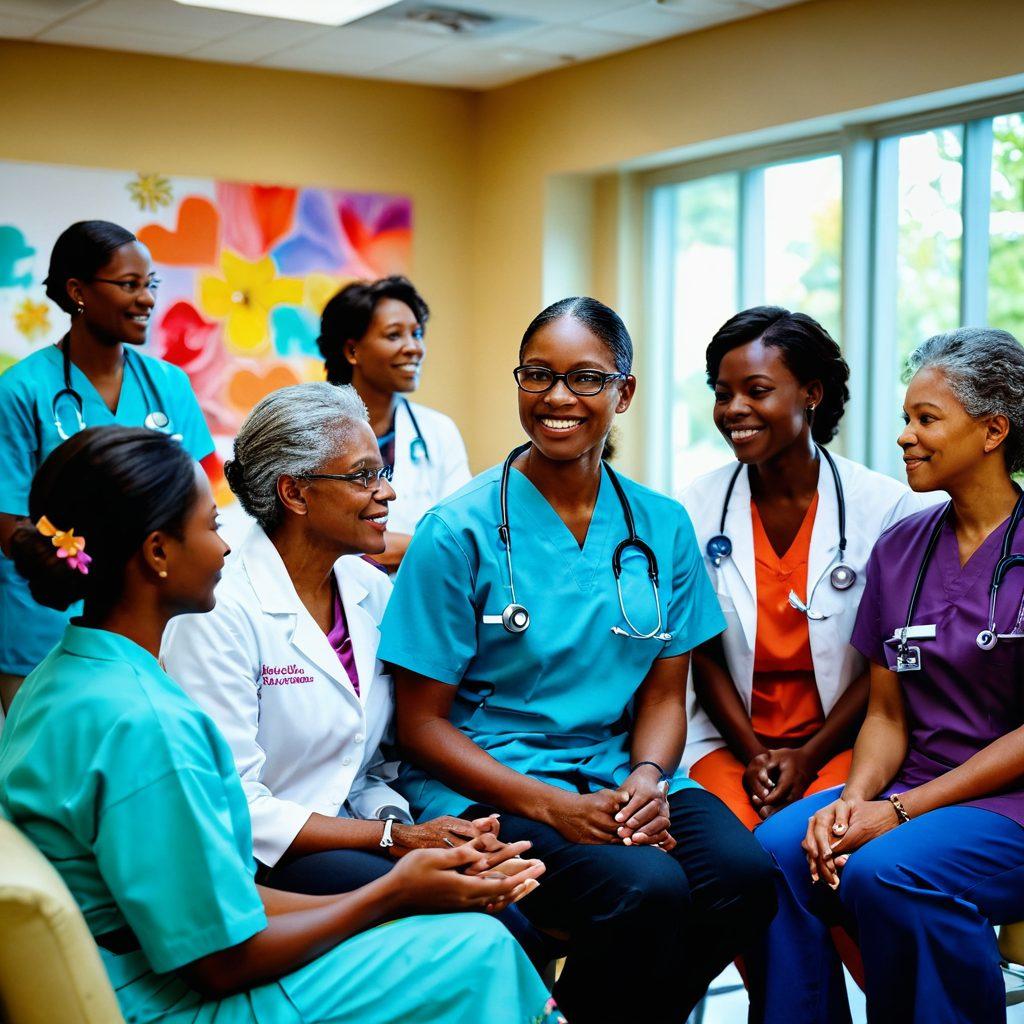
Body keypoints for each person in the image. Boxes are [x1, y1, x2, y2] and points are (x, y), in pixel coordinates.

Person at [0, 424, 562, 1024]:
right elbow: (221, 961)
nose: (224, 548)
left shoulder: (61, 679)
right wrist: (395, 891)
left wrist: (398, 890)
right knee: (478, 949)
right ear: (158, 553)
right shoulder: (147, 724)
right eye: (211, 526)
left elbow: (210, 899)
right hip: (160, 1001)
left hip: (137, 958)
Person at [377, 296, 778, 1024]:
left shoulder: (661, 525)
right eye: (538, 374)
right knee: (647, 889)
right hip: (492, 788)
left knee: (744, 878)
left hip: (619, 775)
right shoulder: (456, 530)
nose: (558, 397)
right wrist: (553, 805)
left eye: (587, 378)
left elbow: (664, 695)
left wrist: (650, 779)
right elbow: (421, 726)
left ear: (623, 391)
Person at [161, 383, 543, 931]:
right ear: (294, 493)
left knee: (505, 897)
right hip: (266, 866)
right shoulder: (219, 613)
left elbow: (365, 770)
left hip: (357, 834)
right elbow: (237, 805)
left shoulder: (369, 589)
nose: (386, 493)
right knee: (489, 924)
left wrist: (425, 834)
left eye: (383, 473)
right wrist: (396, 840)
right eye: (364, 476)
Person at [750, 327, 1024, 1024]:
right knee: (775, 854)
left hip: (1010, 802)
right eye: (907, 417)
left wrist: (898, 812)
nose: (905, 435)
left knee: (891, 871)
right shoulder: (903, 545)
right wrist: (855, 799)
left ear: (994, 430)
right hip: (912, 784)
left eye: (926, 419)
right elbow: (886, 713)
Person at [684, 307, 928, 829]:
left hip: (842, 739)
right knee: (733, 855)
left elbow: (888, 657)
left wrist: (808, 756)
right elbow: (702, 656)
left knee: (818, 844)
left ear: (811, 393)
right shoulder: (692, 509)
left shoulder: (887, 509)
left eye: (757, 390)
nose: (734, 409)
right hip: (729, 743)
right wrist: (755, 756)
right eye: (723, 394)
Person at [0, 220, 215, 714]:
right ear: (78, 291)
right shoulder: (21, 390)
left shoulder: (169, 385)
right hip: (45, 626)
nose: (147, 299)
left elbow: (203, 493)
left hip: (149, 621)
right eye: (129, 284)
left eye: (150, 285)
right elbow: (9, 525)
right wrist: (81, 564)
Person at [318, 276, 470, 569]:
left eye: (417, 333)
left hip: (419, 601)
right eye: (394, 335)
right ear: (352, 351)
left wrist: (358, 545)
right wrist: (425, 547)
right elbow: (313, 541)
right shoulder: (315, 432)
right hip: (335, 603)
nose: (414, 348)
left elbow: (461, 541)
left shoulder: (437, 432)